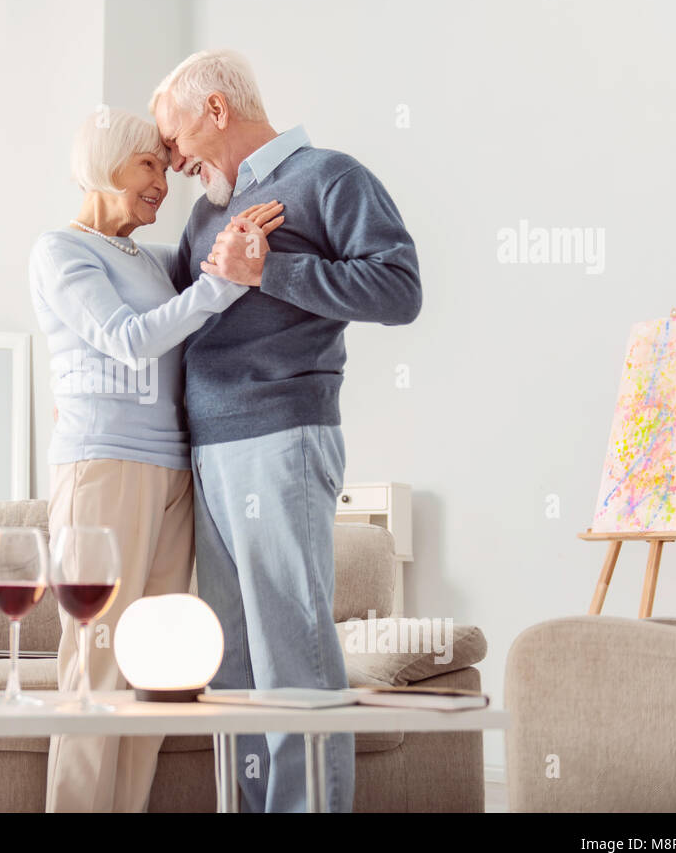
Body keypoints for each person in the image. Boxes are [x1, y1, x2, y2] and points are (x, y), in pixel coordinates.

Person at [149, 49, 423, 813]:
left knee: (290, 649)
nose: (170, 161)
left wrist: (271, 271)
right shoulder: (205, 211)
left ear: (215, 109)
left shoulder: (328, 176)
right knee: (232, 658)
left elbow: (400, 289)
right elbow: (176, 313)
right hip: (207, 447)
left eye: (173, 139)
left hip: (281, 434)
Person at [28, 109, 283, 812]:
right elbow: (130, 339)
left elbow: (190, 315)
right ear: (105, 164)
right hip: (102, 467)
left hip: (175, 471)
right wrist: (221, 283)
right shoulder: (60, 250)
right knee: (96, 666)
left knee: (154, 669)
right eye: (148, 165)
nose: (161, 185)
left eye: (165, 171)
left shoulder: (151, 257)